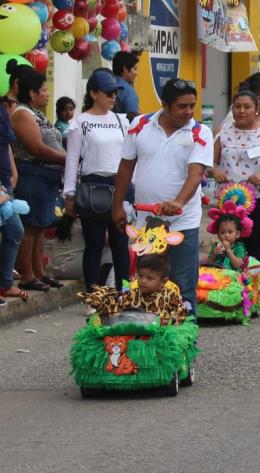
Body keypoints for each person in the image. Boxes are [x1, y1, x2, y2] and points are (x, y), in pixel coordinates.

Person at [113, 78, 214, 310]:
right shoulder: (139, 124)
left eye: (192, 106)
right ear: (165, 105)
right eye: (182, 106)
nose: (189, 112)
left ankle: (182, 343)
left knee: (181, 289)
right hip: (145, 224)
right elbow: (125, 167)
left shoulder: (201, 132)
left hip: (182, 222)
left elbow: (196, 173)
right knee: (146, 286)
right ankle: (149, 342)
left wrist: (178, 202)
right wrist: (117, 205)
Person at [63, 69, 131, 291]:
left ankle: (123, 292)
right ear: (94, 93)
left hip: (119, 185)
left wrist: (134, 189)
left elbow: (130, 157)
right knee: (94, 244)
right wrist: (69, 195)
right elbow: (72, 160)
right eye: (108, 92)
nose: (113, 97)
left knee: (121, 244)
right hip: (93, 186)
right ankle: (92, 294)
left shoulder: (121, 121)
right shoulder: (80, 122)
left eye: (115, 93)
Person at [211, 87, 260, 262]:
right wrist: (215, 170)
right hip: (228, 201)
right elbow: (211, 161)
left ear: (256, 109)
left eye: (247, 107)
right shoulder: (222, 132)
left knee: (255, 245)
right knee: (229, 244)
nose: (242, 111)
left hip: (258, 199)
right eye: (237, 106)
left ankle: (256, 286)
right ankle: (233, 286)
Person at [10, 67, 66, 291]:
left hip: (47, 176)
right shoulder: (22, 113)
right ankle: (27, 274)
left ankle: (40, 272)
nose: (47, 94)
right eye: (44, 90)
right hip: (33, 174)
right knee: (30, 225)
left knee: (41, 225)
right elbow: (36, 148)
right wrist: (68, 158)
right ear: (31, 93)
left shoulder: (38, 113)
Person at [0, 82, 23, 303]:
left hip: (5, 180)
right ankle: (5, 283)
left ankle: (5, 283)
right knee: (15, 230)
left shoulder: (4, 114)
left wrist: (13, 172)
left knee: (14, 230)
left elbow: (6, 145)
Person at [111, 50, 141, 120]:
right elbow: (133, 121)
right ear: (125, 69)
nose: (136, 73)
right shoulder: (128, 92)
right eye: (134, 69)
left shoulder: (106, 87)